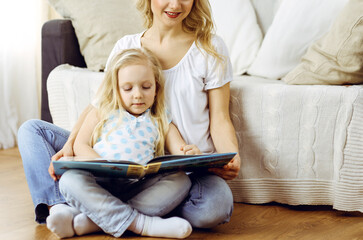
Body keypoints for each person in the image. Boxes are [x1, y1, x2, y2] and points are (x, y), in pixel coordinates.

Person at [18, 0, 240, 235]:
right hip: (110, 161)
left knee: (216, 207)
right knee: (32, 130)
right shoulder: (127, 45)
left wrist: (232, 157)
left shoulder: (209, 47)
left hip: (174, 171)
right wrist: (72, 144)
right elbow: (98, 105)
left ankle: (95, 214)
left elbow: (220, 119)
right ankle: (60, 208)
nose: (175, 4)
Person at [45, 48, 201, 238]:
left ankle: (96, 221)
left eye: (146, 87)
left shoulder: (160, 119)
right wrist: (103, 165)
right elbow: (80, 144)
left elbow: (180, 151)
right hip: (100, 180)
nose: (137, 95)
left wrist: (189, 153)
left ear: (156, 88)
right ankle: (143, 224)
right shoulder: (103, 111)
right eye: (128, 88)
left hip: (138, 184)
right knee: (69, 181)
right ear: (116, 89)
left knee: (181, 179)